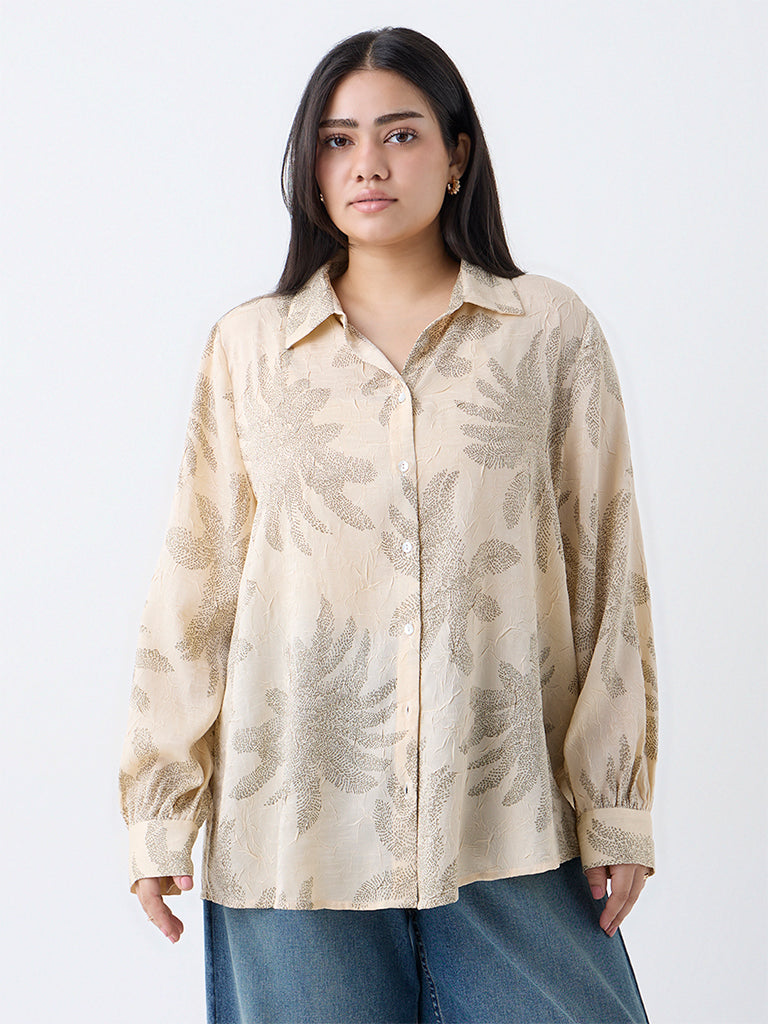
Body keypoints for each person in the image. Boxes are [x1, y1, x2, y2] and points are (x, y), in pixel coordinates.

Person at [119, 25, 658, 1024]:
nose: (367, 163)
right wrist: (161, 809)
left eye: (400, 134)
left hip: (509, 820)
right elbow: (195, 589)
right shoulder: (249, 349)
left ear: (457, 156)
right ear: (311, 167)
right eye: (337, 140)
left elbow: (603, 576)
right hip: (294, 829)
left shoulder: (548, 334)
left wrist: (615, 805)